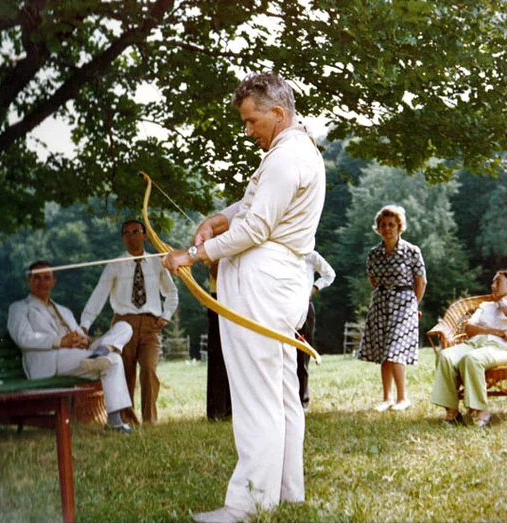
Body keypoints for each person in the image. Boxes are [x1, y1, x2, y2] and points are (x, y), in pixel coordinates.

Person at [163, 71, 326, 523]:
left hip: (262, 284)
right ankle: (287, 492)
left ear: (278, 112)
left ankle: (247, 505)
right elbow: (253, 207)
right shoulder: (294, 152)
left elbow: (256, 228)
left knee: (258, 395)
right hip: (278, 282)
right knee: (280, 390)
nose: (248, 130)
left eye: (253, 121)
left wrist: (193, 255)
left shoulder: (285, 157)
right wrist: (218, 218)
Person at [8, 260, 134, 435]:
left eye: (47, 277)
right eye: (36, 278)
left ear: (54, 282)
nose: (42, 282)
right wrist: (60, 341)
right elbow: (23, 338)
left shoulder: (63, 310)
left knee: (124, 327)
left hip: (78, 355)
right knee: (115, 360)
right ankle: (115, 421)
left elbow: (79, 335)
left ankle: (100, 352)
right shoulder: (20, 308)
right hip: (52, 358)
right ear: (29, 281)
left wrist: (84, 341)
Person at [80, 220, 178, 426]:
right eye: (126, 233)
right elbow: (99, 295)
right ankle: (127, 419)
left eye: (136, 231)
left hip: (151, 325)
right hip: (123, 325)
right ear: (123, 238)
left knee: (149, 370)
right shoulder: (114, 265)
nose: (131, 236)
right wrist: (85, 324)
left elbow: (171, 292)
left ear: (144, 235)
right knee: (125, 372)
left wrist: (167, 314)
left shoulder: (157, 261)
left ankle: (150, 419)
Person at [431, 270, 507, 427]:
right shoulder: (485, 306)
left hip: (501, 348)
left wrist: (503, 302)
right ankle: (452, 413)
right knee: (445, 356)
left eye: (498, 282)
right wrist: (496, 331)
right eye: (493, 282)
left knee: (472, 359)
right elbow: (469, 328)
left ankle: (481, 411)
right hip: (474, 344)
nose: (493, 286)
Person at [358, 205, 427, 412]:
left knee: (394, 350)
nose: (387, 228)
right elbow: (372, 280)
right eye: (383, 225)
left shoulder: (412, 251)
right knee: (383, 351)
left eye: (391, 225)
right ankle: (387, 398)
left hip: (405, 303)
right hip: (380, 303)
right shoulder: (374, 254)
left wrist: (413, 305)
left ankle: (402, 398)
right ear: (378, 228)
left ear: (399, 227)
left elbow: (421, 282)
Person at [296, 250, 335, 411]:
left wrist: (313, 289)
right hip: (282, 308)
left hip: (304, 307)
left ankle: (302, 401)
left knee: (303, 355)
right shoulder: (281, 252)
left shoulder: (311, 255)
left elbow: (329, 274)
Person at [205, 262, 231, 421]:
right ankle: (218, 409)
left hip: (238, 297)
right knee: (218, 355)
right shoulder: (215, 239)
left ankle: (230, 408)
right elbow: (215, 270)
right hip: (219, 298)